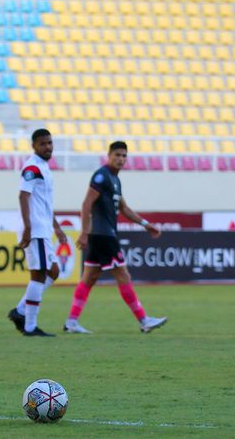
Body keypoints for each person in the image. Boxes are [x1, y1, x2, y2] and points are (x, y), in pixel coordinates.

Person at [63, 141, 167, 334]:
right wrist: (84, 232)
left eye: (124, 156)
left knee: (89, 278)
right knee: (123, 275)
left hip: (99, 235)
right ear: (109, 155)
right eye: (117, 155)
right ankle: (144, 320)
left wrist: (146, 225)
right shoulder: (102, 176)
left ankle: (71, 322)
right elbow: (86, 204)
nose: (120, 159)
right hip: (103, 235)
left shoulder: (115, 180)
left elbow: (124, 208)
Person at [7, 129, 68, 337]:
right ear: (34, 146)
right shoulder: (32, 167)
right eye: (43, 144)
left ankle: (21, 310)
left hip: (43, 228)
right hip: (35, 229)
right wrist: (28, 229)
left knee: (53, 271)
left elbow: (43, 204)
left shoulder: (44, 167)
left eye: (50, 143)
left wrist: (57, 227)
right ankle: (30, 326)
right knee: (39, 275)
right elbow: (23, 197)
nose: (48, 147)